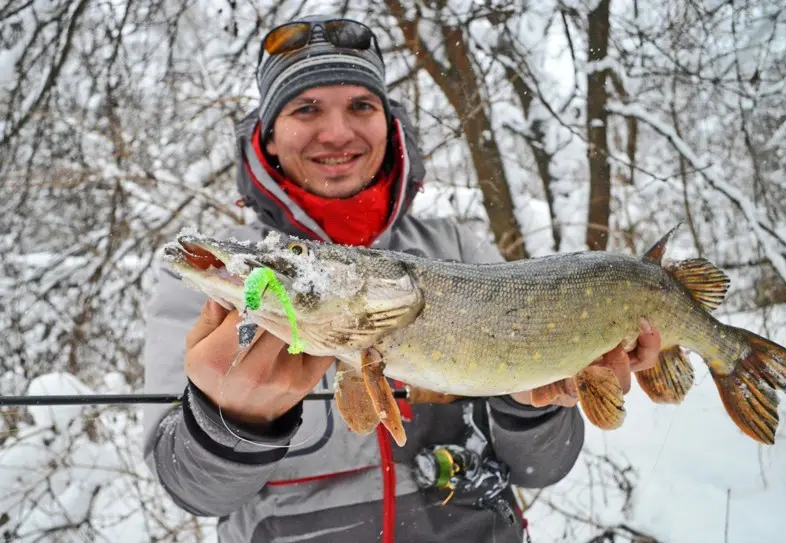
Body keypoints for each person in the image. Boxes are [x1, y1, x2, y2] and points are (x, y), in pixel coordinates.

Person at [142, 14, 662, 543]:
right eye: (306, 108)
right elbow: (192, 492)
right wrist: (230, 424)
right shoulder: (214, 294)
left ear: (389, 127)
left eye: (361, 106)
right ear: (269, 136)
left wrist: (528, 402)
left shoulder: (459, 251)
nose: (338, 132)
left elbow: (541, 470)